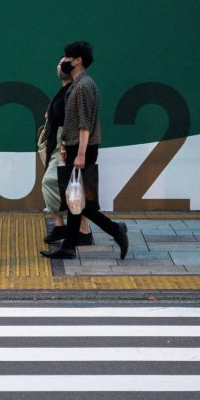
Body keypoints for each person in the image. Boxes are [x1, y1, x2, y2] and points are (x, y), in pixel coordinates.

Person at [40, 41, 128, 260]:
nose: (65, 61)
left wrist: (79, 153)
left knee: (78, 202)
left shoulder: (85, 86)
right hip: (73, 147)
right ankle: (69, 247)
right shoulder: (76, 85)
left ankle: (116, 230)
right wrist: (65, 147)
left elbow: (84, 124)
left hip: (83, 149)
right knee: (74, 201)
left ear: (78, 60)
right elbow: (70, 122)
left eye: (68, 57)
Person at [41, 60, 93, 247]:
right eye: (59, 63)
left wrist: (66, 146)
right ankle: (74, 228)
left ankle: (70, 227)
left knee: (58, 184)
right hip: (58, 142)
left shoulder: (76, 90)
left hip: (66, 142)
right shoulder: (63, 91)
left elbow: (78, 121)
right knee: (70, 187)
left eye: (65, 62)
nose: (60, 66)